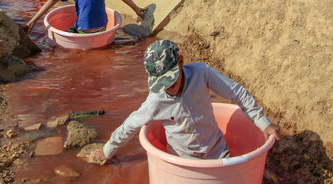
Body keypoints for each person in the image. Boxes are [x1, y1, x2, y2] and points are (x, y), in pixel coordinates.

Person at [91, 39, 280, 164]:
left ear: (181, 62)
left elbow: (236, 92)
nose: (168, 87)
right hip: (183, 160)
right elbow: (129, 126)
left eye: (170, 78)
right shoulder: (156, 101)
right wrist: (107, 151)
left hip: (217, 151)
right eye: (161, 82)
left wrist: (264, 124)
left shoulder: (201, 73)